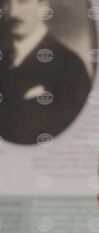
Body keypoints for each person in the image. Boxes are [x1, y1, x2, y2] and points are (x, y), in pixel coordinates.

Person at [0, 0, 92, 144]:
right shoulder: (3, 59)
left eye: (23, 1)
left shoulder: (70, 65)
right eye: (6, 3)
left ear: (43, 5)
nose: (13, 12)